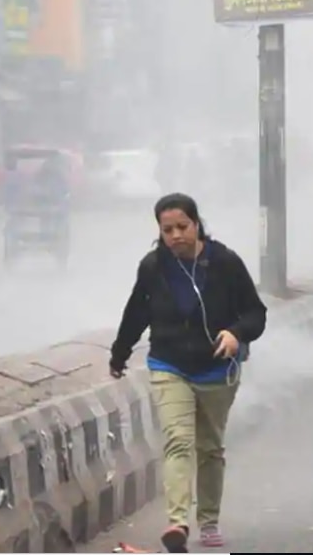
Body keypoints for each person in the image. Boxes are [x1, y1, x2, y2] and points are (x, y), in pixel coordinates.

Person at [109, 193, 267, 553]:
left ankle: (208, 521)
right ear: (160, 232)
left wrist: (235, 333)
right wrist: (119, 355)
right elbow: (136, 313)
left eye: (182, 226)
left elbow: (255, 313)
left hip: (216, 371)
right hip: (169, 365)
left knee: (209, 447)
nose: (176, 235)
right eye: (168, 229)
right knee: (178, 441)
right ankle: (177, 522)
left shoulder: (224, 263)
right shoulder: (153, 268)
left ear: (197, 225)